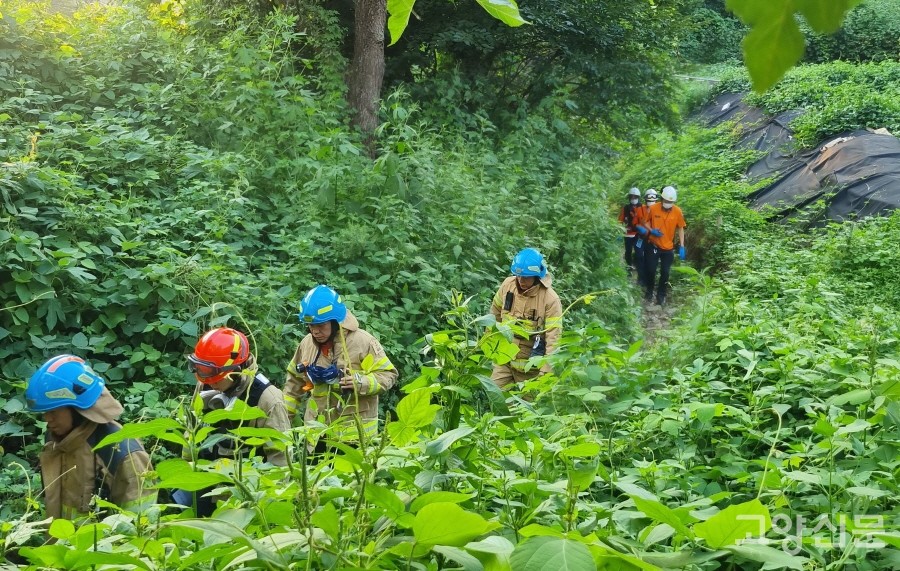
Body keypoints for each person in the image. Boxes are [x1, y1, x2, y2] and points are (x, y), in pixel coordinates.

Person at [25, 355, 156, 520]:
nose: (47, 419)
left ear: (77, 408)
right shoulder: (56, 441)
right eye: (44, 412)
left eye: (53, 411)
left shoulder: (121, 452)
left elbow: (141, 524)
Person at [179, 327, 290, 516]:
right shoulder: (206, 382)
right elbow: (192, 431)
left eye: (214, 375)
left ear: (236, 370)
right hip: (204, 483)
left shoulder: (268, 399)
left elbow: (281, 464)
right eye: (202, 371)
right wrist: (186, 472)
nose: (209, 381)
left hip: (245, 496)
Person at [284, 285, 397, 451]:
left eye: (321, 325)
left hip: (354, 439)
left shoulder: (363, 342)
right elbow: (292, 387)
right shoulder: (306, 344)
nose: (315, 331)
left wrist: (361, 383)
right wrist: (281, 423)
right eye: (311, 326)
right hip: (316, 436)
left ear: (335, 322)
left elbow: (388, 374)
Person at [490, 248, 563, 389]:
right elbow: (494, 316)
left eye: (526, 277)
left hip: (531, 370)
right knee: (495, 396)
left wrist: (546, 373)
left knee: (526, 408)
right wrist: (491, 348)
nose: (521, 280)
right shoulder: (507, 286)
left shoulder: (550, 300)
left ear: (537, 276)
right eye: (519, 276)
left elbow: (554, 339)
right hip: (504, 360)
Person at [641, 185, 686, 306]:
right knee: (651, 270)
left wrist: (682, 245)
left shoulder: (677, 211)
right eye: (666, 201)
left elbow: (681, 228)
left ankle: (661, 295)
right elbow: (644, 222)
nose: (668, 203)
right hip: (653, 245)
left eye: (670, 202)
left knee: (665, 273)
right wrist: (651, 230)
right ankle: (649, 291)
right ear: (661, 199)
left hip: (668, 248)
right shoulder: (653, 208)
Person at [618, 187, 646, 272]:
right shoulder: (626, 208)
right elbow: (620, 220)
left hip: (639, 234)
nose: (633, 199)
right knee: (628, 252)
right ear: (629, 198)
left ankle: (640, 269)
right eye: (632, 197)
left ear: (638, 197)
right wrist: (619, 232)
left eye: (635, 197)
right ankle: (629, 268)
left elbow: (647, 220)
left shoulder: (642, 208)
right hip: (628, 234)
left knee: (639, 253)